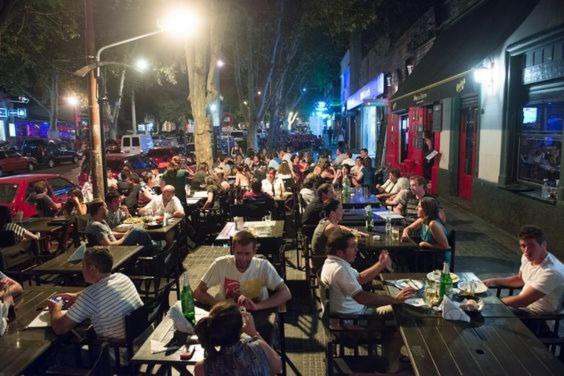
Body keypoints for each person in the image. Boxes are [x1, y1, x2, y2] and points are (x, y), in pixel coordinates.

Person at [320, 229, 415, 373]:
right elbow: (363, 298)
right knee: (403, 314)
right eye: (352, 247)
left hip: (351, 314)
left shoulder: (332, 263)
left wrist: (381, 264)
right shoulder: (339, 270)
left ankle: (390, 354)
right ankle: (392, 364)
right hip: (354, 320)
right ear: (340, 252)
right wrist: (395, 299)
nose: (356, 249)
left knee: (398, 309)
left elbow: (360, 278)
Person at [193, 231, 291, 343]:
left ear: (254, 252)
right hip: (228, 315)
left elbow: (286, 293)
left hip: (257, 315)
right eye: (239, 253)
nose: (243, 258)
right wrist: (221, 306)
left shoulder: (263, 266)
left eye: (247, 254)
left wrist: (257, 306)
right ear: (232, 250)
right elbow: (198, 292)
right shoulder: (221, 264)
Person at [48, 247, 143, 339]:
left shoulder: (90, 296)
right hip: (141, 337)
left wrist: (56, 307)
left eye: (83, 265)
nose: (82, 269)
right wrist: (76, 296)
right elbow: (101, 291)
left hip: (118, 349)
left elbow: (59, 328)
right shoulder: (122, 277)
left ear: (92, 268)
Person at [483, 225, 564, 315]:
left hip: (538, 318)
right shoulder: (527, 257)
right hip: (522, 309)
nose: (526, 250)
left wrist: (492, 303)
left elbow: (523, 301)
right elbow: (520, 279)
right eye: (523, 245)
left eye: (531, 245)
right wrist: (492, 281)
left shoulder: (552, 271)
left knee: (484, 314)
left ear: (543, 245)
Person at [193, 301, 281, 376]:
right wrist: (254, 333)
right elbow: (278, 366)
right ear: (241, 328)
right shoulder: (258, 348)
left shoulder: (202, 368)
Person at [85, 200, 156, 251]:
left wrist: (126, 233)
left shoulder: (102, 221)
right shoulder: (96, 226)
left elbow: (110, 233)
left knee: (135, 231)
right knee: (138, 231)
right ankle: (153, 251)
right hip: (116, 249)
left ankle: (151, 249)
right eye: (106, 207)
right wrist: (125, 236)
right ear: (101, 209)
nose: (107, 210)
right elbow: (108, 245)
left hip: (117, 244)